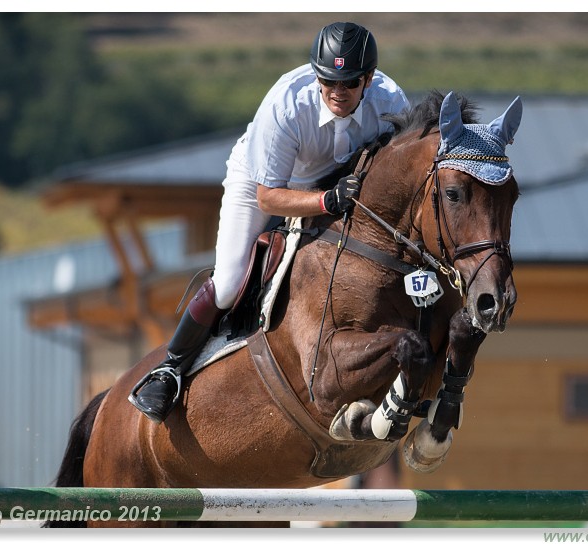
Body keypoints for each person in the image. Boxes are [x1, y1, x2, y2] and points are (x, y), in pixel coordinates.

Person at [129, 21, 411, 423]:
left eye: (348, 83)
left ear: (368, 79)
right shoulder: (287, 103)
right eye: (327, 80)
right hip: (262, 181)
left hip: (334, 182)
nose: (336, 91)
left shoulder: (391, 102)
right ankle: (170, 368)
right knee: (228, 284)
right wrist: (327, 201)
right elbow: (269, 196)